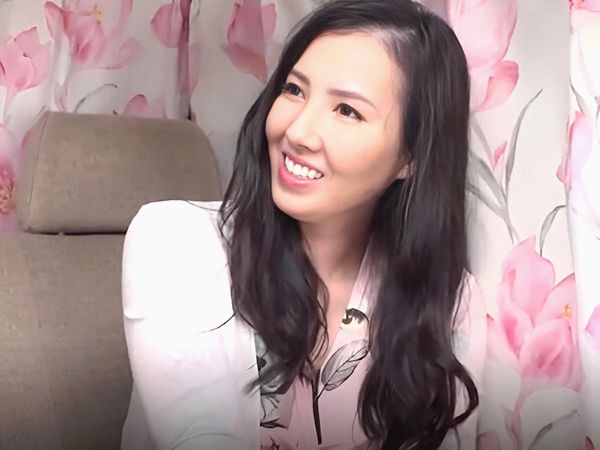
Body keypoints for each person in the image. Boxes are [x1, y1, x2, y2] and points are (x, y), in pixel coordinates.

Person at [120, 0, 487, 449]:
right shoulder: (176, 242)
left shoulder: (450, 302)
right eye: (294, 90)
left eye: (347, 110)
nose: (297, 132)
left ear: (410, 156)